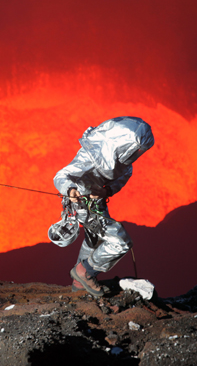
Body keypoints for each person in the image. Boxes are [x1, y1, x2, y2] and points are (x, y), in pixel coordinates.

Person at [48, 116, 154, 297]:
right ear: (122, 143)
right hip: (84, 205)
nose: (136, 155)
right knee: (120, 242)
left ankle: (79, 284)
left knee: (94, 240)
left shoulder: (122, 163)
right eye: (136, 150)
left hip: (96, 205)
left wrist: (106, 191)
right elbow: (62, 176)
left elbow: (121, 178)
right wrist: (71, 190)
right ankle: (85, 271)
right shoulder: (90, 156)